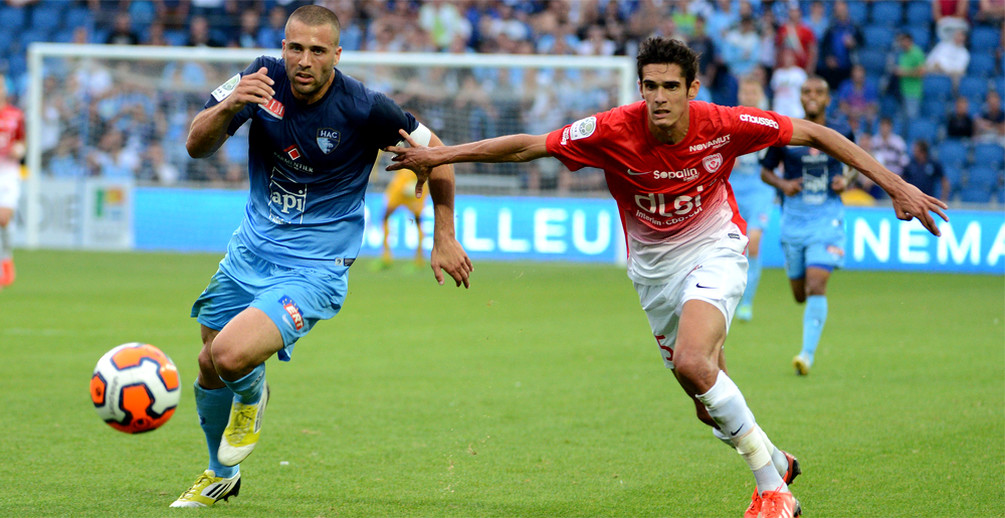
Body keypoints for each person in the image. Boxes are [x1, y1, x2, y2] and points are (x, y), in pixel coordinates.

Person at [386, 37, 948, 518]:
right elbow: (528, 147)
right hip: (652, 274)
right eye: (649, 86)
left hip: (714, 247)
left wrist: (894, 185)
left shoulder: (726, 124)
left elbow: (817, 134)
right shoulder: (609, 129)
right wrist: (440, 156)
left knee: (693, 363)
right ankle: (778, 460)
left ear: (692, 87)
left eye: (669, 86)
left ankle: (771, 491)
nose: (658, 97)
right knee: (707, 403)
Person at [169, 5, 472, 508]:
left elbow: (437, 150)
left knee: (227, 357)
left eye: (316, 50)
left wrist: (444, 233)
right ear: (282, 46)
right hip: (249, 251)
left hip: (315, 268)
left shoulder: (365, 108)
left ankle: (251, 397)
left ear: (336, 54)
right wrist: (227, 107)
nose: (303, 60)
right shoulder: (257, 78)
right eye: (295, 47)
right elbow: (195, 146)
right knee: (208, 363)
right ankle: (219, 473)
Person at [759, 76, 855, 377]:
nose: (811, 96)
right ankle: (808, 336)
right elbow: (765, 171)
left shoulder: (841, 130)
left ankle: (806, 355)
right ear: (801, 98)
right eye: (806, 92)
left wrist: (846, 181)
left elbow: (856, 164)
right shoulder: (787, 132)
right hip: (794, 221)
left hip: (827, 219)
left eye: (818, 92)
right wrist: (783, 183)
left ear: (828, 99)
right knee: (800, 293)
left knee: (817, 284)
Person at [732, 76, 777, 322]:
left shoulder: (768, 123)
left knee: (755, 241)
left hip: (760, 188)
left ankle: (747, 303)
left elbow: (778, 156)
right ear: (740, 95)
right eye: (745, 92)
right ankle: (729, 296)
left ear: (760, 95)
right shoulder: (730, 121)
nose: (749, 97)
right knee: (731, 246)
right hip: (735, 187)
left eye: (753, 92)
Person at [376, 166, 429, 269]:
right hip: (401, 184)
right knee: (385, 217)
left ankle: (419, 260)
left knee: (418, 221)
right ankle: (386, 257)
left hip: (416, 184)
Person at [0, 75, 25, 288]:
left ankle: (6, 256)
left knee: (4, 218)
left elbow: (22, 143)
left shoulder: (16, 115)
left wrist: (19, 150)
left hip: (7, 172)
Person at [894, 32, 927, 120]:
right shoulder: (902, 54)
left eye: (903, 41)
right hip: (902, 91)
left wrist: (904, 72)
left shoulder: (917, 53)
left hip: (913, 92)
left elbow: (922, 72)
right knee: (902, 119)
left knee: (912, 119)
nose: (901, 44)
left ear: (909, 41)